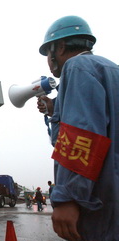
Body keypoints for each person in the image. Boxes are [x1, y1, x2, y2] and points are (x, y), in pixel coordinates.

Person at [37, 15, 119, 240]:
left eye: (48, 53)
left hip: (100, 202)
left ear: (60, 47)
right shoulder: (110, 70)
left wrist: (69, 197)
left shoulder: (76, 66)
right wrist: (56, 112)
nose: (48, 60)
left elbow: (83, 134)